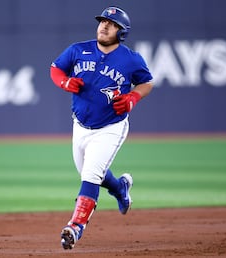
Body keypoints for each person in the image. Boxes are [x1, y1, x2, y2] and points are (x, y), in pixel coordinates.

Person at [50, 6, 153, 250]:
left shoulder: (131, 59)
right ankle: (120, 189)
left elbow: (146, 82)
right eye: (103, 21)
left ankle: (76, 226)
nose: (105, 26)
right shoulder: (78, 49)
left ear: (122, 32)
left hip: (111, 126)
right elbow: (55, 69)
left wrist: (133, 98)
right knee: (90, 172)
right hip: (81, 125)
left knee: (91, 175)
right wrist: (64, 81)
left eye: (112, 23)